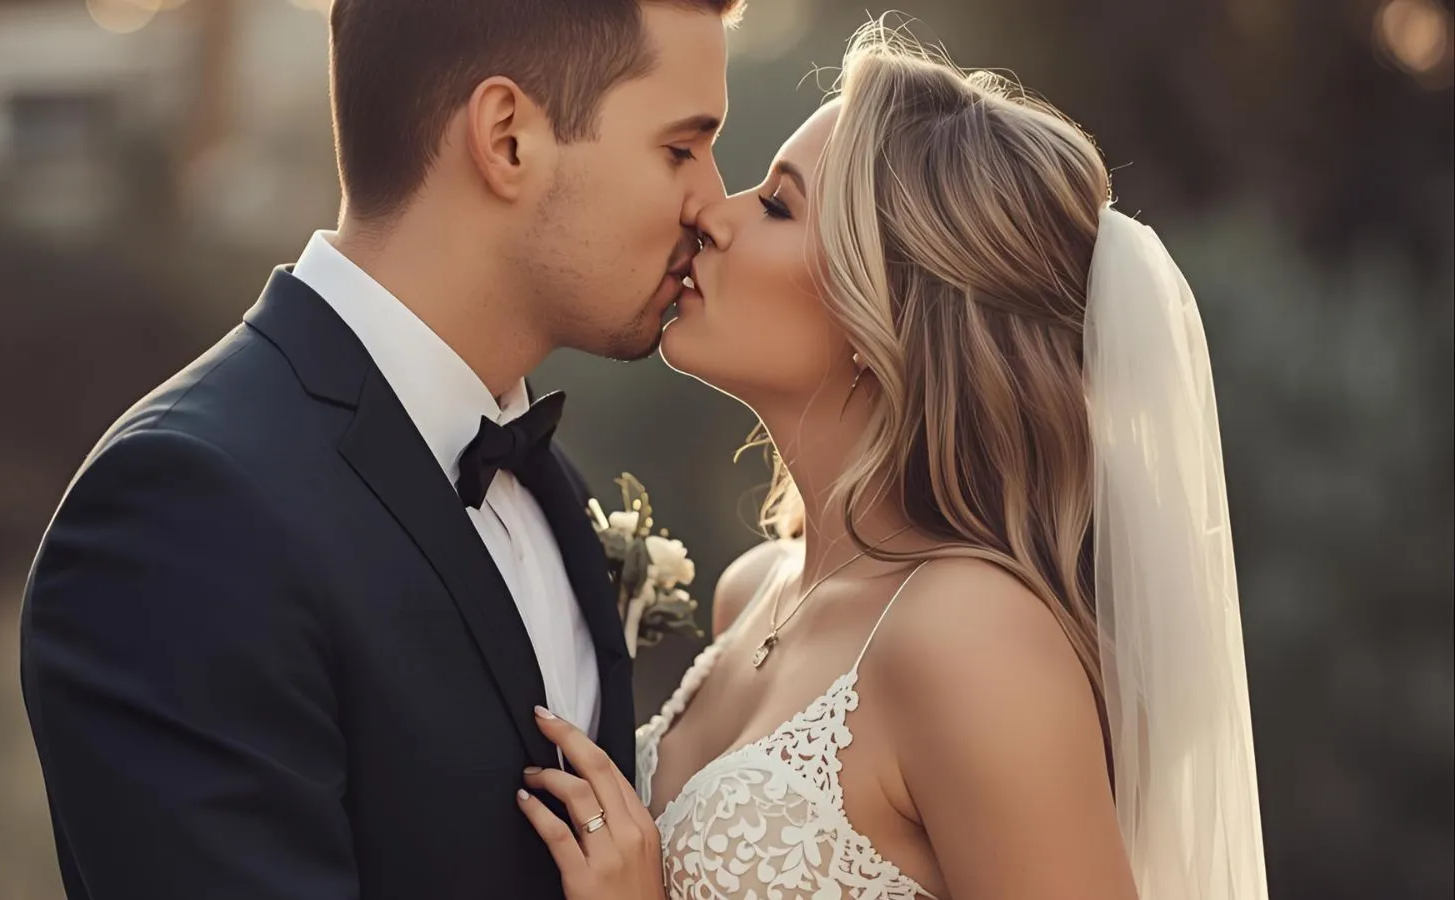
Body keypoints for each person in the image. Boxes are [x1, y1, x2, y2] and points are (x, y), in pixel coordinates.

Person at [515, 22, 1269, 900]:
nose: (711, 215)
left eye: (778, 206)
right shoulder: (753, 591)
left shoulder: (973, 638)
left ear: (889, 313)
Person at [18, 2, 741, 898]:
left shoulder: (549, 484)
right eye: (680, 148)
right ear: (508, 137)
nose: (713, 204)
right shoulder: (185, 511)